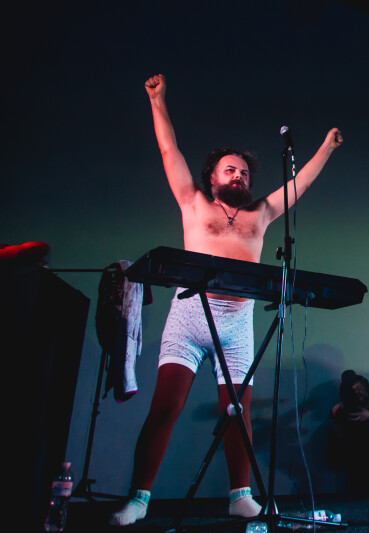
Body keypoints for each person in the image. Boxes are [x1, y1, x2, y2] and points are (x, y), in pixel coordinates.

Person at [110, 74, 343, 526]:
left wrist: (326, 149)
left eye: (244, 172)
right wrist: (158, 100)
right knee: (166, 407)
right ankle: (138, 499)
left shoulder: (261, 213)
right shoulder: (194, 203)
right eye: (230, 170)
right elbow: (169, 152)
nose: (239, 175)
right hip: (190, 316)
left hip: (237, 322)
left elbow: (299, 185)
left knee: (237, 411)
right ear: (213, 177)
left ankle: (241, 495)